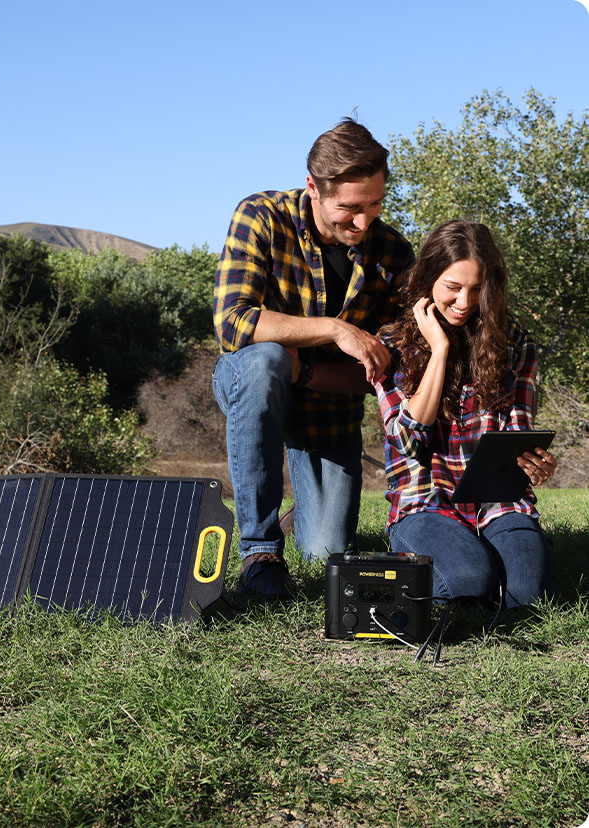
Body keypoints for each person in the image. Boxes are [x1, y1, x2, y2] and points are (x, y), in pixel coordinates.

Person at [212, 118, 414, 600]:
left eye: (375, 205)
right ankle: (260, 551)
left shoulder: (392, 252)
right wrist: (335, 329)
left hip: (328, 404)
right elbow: (234, 322)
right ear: (313, 188)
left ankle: (296, 515)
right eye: (349, 208)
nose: (363, 223)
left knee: (325, 552)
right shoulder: (260, 215)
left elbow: (386, 369)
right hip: (253, 381)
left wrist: (311, 371)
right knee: (265, 362)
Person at [374, 219, 557, 608]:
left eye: (477, 290)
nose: (464, 302)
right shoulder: (390, 343)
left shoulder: (514, 342)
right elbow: (407, 439)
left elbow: (516, 432)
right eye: (453, 288)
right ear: (427, 281)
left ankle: (486, 564)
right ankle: (455, 570)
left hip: (497, 501)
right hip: (426, 499)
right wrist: (438, 350)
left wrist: (533, 463)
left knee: (528, 595)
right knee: (468, 578)